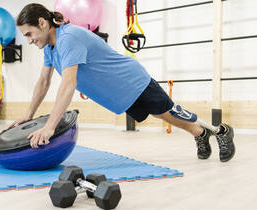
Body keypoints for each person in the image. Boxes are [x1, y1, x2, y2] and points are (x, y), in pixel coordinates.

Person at [12, 3, 235, 162]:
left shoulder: (68, 38)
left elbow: (68, 84)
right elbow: (43, 82)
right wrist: (28, 115)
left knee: (170, 111)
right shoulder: (51, 47)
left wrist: (49, 127)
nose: (30, 41)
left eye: (29, 34)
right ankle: (200, 133)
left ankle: (220, 131)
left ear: (42, 23)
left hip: (132, 79)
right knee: (160, 114)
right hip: (120, 92)